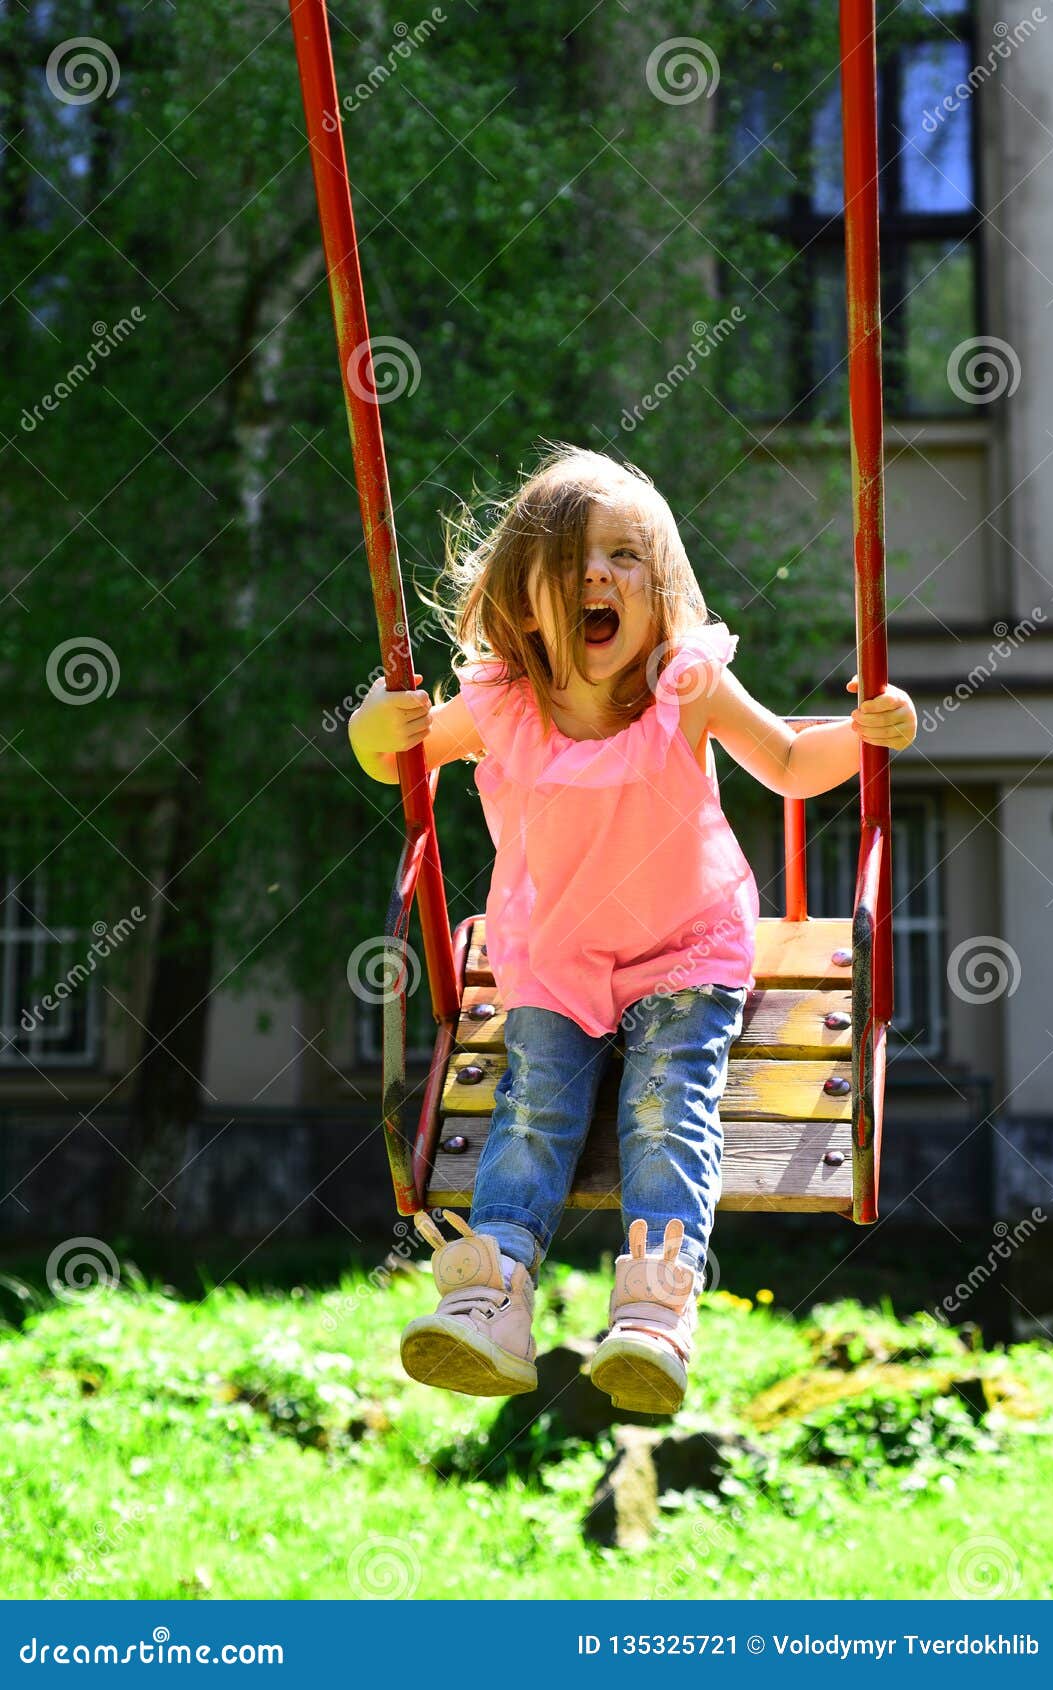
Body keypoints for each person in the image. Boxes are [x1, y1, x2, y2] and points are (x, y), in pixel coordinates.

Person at [348, 445, 917, 1413]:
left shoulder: (684, 688)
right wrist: (375, 722)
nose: (599, 577)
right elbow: (390, 755)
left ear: (661, 592)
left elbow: (782, 757)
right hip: (557, 954)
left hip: (684, 948)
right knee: (532, 1112)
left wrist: (864, 734)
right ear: (525, 602)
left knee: (665, 1104)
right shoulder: (501, 705)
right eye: (572, 562)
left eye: (626, 557)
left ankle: (654, 1310)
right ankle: (496, 1300)